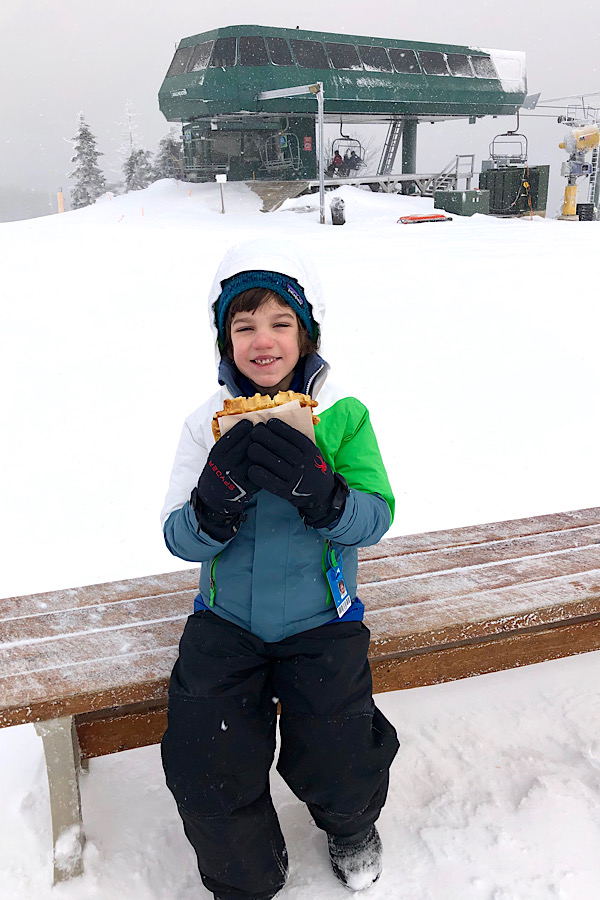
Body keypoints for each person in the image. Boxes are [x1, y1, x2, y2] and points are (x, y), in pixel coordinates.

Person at [160, 239, 399, 900]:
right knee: (205, 759)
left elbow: (376, 517)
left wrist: (327, 498)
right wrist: (213, 504)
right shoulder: (204, 425)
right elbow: (178, 537)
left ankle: (351, 826)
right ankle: (245, 874)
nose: (262, 342)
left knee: (339, 748)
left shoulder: (343, 416)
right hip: (225, 622)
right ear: (223, 340)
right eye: (244, 327)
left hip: (322, 619)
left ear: (306, 331)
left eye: (279, 323)